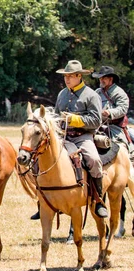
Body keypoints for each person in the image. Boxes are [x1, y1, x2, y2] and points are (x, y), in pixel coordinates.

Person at [55, 60, 107, 218]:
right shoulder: (62, 94)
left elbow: (96, 121)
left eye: (70, 76)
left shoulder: (91, 95)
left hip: (82, 137)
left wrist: (73, 119)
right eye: (65, 76)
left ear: (79, 76)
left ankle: (98, 200)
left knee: (93, 160)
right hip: (62, 136)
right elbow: (56, 114)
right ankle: (42, 199)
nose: (67, 79)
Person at [92, 66, 133, 159]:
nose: (101, 80)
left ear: (111, 79)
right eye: (100, 78)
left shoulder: (119, 93)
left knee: (119, 145)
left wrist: (109, 112)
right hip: (97, 124)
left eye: (104, 78)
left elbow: (123, 108)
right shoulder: (97, 92)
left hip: (113, 126)